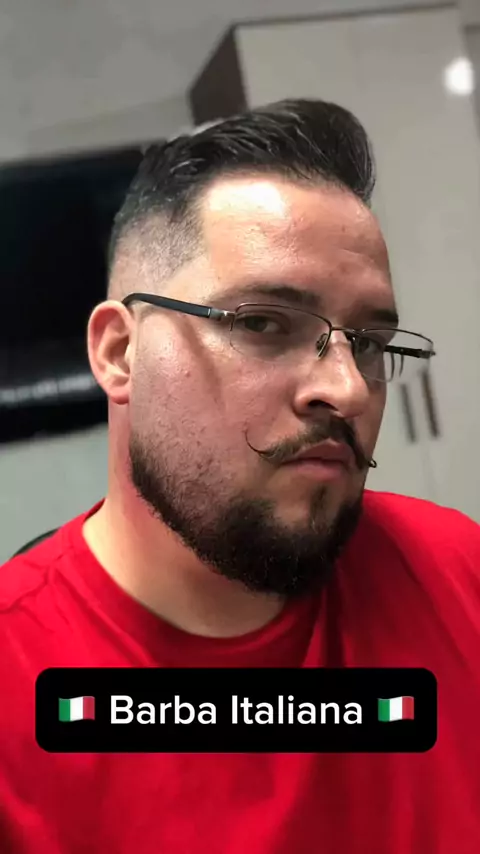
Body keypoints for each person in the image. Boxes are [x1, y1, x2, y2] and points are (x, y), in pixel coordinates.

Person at [0, 99, 479, 854]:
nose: (348, 390)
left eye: (368, 342)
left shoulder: (455, 570)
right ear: (121, 353)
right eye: (262, 323)